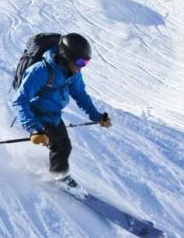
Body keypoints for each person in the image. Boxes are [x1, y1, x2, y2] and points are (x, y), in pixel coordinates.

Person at [11, 33, 112, 185]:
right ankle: (59, 177)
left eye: (85, 63)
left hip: (54, 115)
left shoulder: (73, 73)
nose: (81, 67)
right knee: (61, 146)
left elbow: (81, 95)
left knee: (65, 146)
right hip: (36, 114)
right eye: (80, 62)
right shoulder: (40, 71)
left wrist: (97, 116)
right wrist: (34, 129)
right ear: (66, 56)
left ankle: (57, 172)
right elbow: (19, 101)